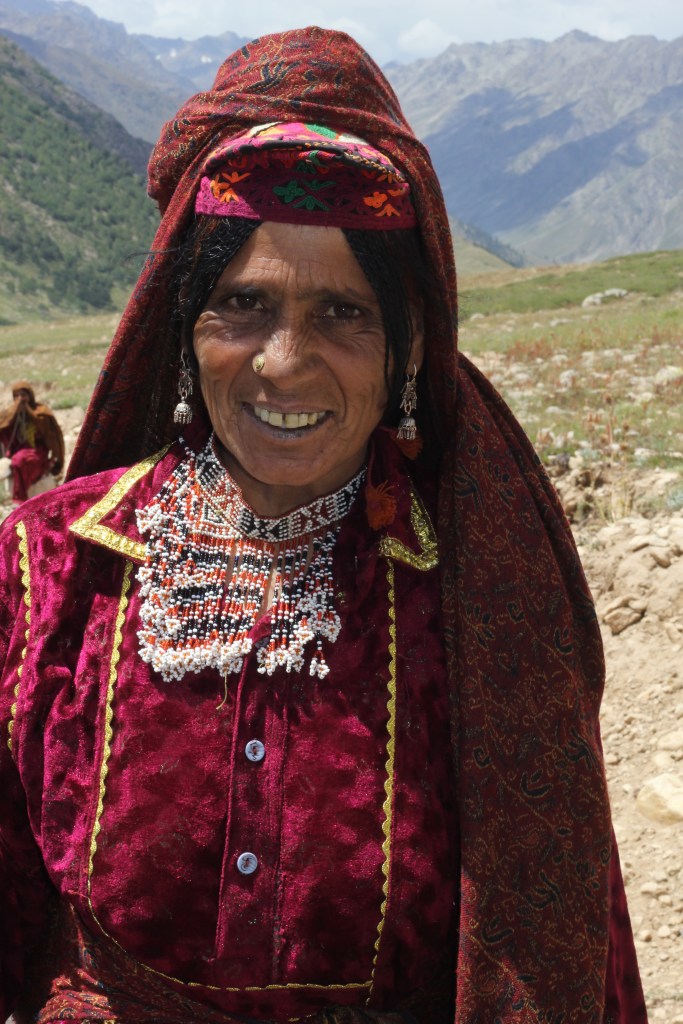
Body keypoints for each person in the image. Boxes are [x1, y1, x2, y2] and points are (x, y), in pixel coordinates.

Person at [0, 27, 648, 1024]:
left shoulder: (475, 602)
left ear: (408, 346)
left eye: (343, 312)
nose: (283, 362)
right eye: (242, 304)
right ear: (184, 327)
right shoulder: (47, 568)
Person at [0, 381, 64, 503]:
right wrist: (15, 412)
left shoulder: (41, 412)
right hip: (19, 449)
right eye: (17, 396)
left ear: (30, 395)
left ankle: (21, 497)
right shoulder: (12, 413)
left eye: (23, 395)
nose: (20, 398)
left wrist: (28, 411)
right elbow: (3, 425)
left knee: (20, 461)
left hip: (37, 449)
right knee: (17, 460)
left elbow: (52, 436)